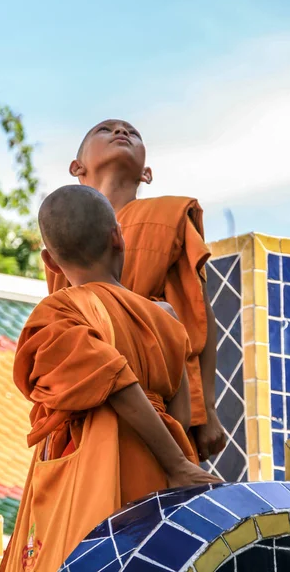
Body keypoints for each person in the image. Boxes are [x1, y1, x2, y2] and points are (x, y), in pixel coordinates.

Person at [0, 185, 218, 572]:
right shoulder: (166, 315)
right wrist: (174, 461)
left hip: (90, 470)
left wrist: (176, 464)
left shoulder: (59, 312)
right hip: (154, 467)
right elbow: (181, 416)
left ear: (49, 261)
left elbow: (109, 374)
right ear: (118, 237)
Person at [45, 120, 226, 463]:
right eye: (105, 130)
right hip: (92, 399)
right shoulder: (62, 231)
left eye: (132, 132)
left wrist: (210, 410)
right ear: (76, 166)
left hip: (164, 393)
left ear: (147, 173)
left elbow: (197, 314)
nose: (121, 133)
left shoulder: (169, 216)